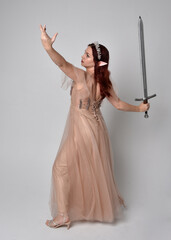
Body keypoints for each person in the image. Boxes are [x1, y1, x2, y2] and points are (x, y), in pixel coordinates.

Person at [39, 24, 150, 230]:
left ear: (98, 62)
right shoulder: (104, 82)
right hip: (97, 130)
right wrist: (139, 107)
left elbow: (62, 64)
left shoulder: (81, 76)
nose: (83, 56)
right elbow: (118, 104)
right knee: (82, 169)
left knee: (61, 167)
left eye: (88, 55)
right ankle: (84, 207)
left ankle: (63, 215)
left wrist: (48, 47)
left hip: (81, 127)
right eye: (84, 53)